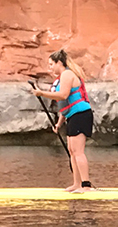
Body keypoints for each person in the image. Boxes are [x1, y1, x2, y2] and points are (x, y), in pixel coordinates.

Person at [30, 49, 94, 191]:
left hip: (81, 114)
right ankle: (76, 184)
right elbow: (65, 105)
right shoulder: (61, 78)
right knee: (72, 150)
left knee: (78, 151)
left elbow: (63, 95)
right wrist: (59, 123)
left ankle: (86, 185)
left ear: (59, 63)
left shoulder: (67, 74)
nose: (50, 67)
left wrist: (41, 93)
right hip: (72, 115)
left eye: (51, 64)